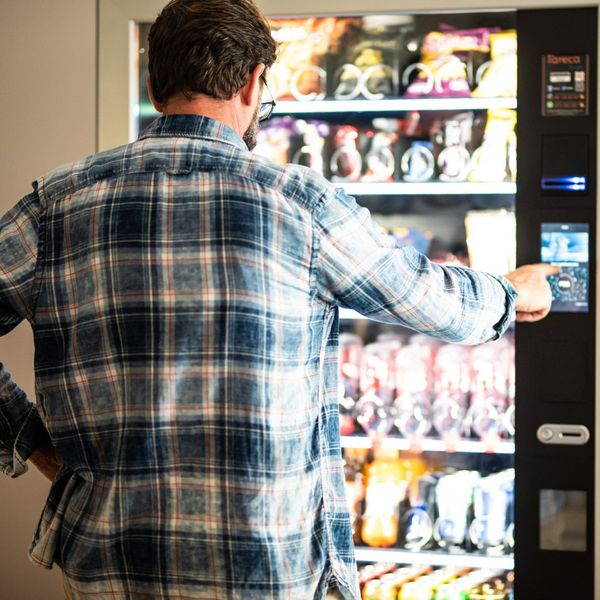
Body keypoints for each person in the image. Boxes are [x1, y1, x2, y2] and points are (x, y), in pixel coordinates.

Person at [0, 1, 555, 598]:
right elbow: (430, 299)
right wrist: (509, 291)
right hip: (265, 565)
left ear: (154, 86)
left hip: (107, 565)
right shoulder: (299, 204)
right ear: (251, 82)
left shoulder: (56, 204)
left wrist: (32, 441)